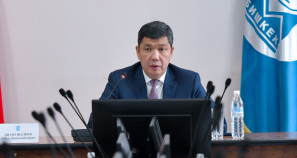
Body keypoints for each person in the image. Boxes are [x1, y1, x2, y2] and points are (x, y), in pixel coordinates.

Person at [88, 21, 216, 128]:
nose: (155, 57)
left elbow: (217, 123)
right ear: (138, 51)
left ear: (171, 52)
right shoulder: (120, 80)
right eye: (148, 49)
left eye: (162, 49)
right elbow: (94, 125)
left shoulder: (189, 81)